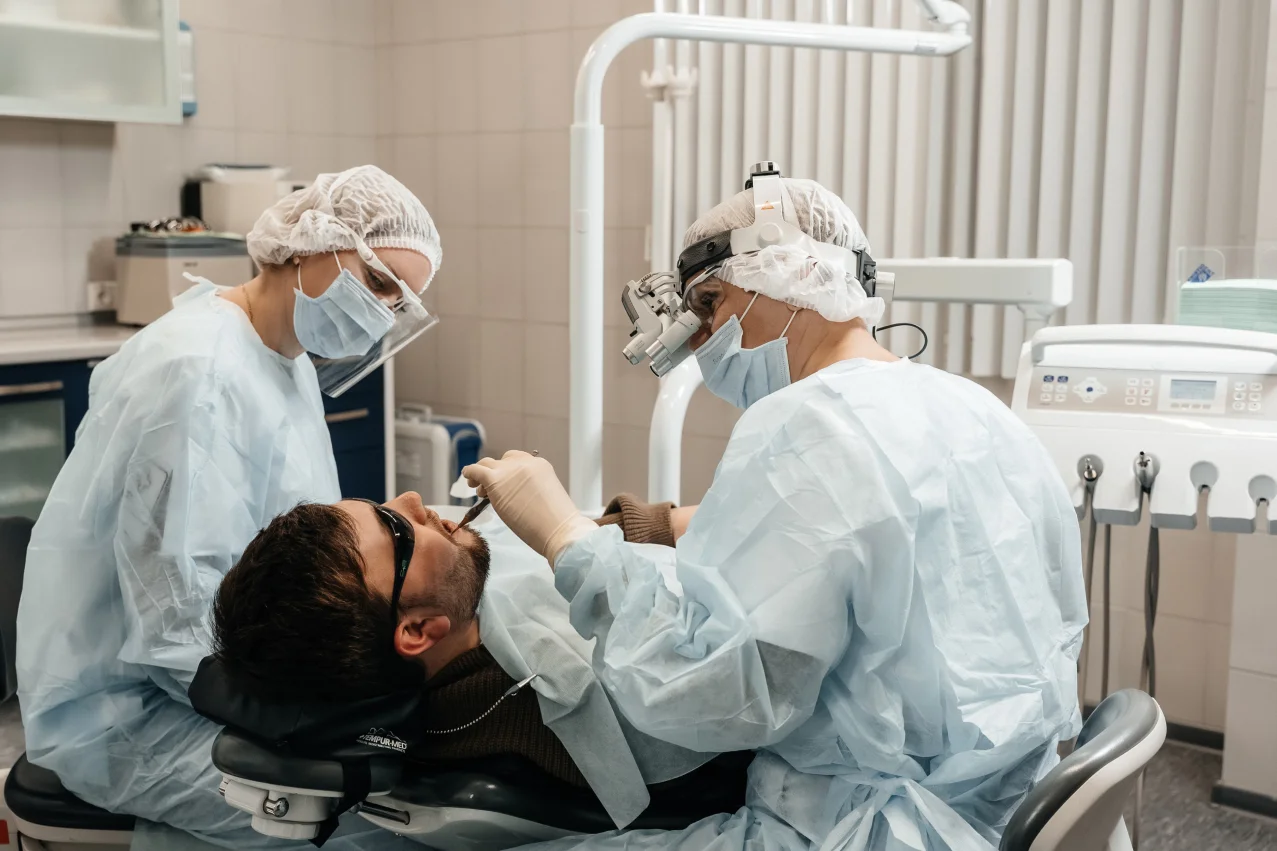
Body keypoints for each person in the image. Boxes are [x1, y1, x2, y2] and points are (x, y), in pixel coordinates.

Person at [463, 178, 1088, 851]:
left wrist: (567, 539)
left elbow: (709, 696)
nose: (703, 339)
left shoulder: (804, 424)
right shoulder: (975, 408)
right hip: (994, 812)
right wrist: (654, 525)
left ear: (787, 276)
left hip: (852, 828)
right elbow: (883, 544)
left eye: (711, 304)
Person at [16, 165, 440, 850]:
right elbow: (174, 626)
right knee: (384, 825)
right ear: (311, 242)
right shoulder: (197, 371)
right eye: (378, 281)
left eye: (399, 301)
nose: (381, 310)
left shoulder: (283, 357)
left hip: (221, 668)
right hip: (134, 715)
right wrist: (316, 709)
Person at [211, 492, 747, 820]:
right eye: (398, 530)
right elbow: (727, 685)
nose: (412, 500)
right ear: (417, 630)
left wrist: (575, 531)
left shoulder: (459, 587)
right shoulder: (550, 711)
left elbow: (653, 532)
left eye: (380, 505)